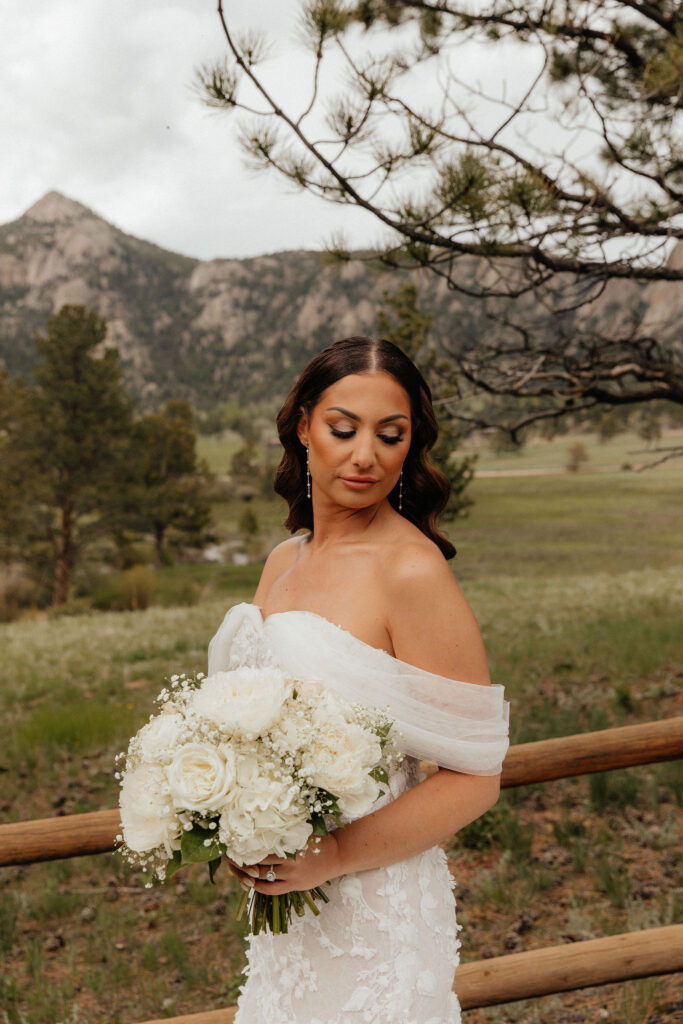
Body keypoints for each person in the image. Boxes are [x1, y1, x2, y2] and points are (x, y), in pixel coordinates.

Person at [207, 336, 510, 1023]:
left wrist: (335, 853)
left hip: (377, 914)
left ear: (411, 446)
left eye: (390, 434)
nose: (365, 454)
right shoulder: (282, 562)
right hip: (287, 918)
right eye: (343, 429)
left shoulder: (411, 571)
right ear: (304, 425)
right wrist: (241, 832)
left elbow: (475, 777)